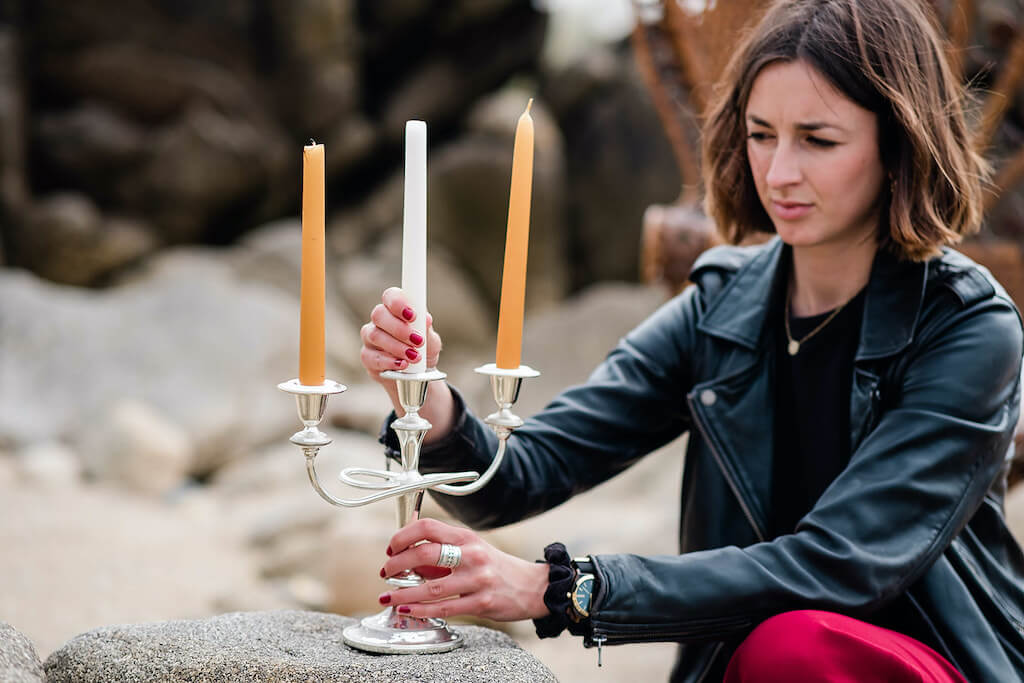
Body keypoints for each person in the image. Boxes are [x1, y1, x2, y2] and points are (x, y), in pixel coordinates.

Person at [358, 0, 1024, 680]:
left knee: (789, 646)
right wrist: (430, 403)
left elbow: (838, 562)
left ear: (898, 145)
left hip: (931, 661)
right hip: (748, 664)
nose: (779, 171)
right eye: (762, 134)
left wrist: (559, 588)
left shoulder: (969, 327)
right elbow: (518, 477)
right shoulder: (721, 305)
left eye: (818, 140)